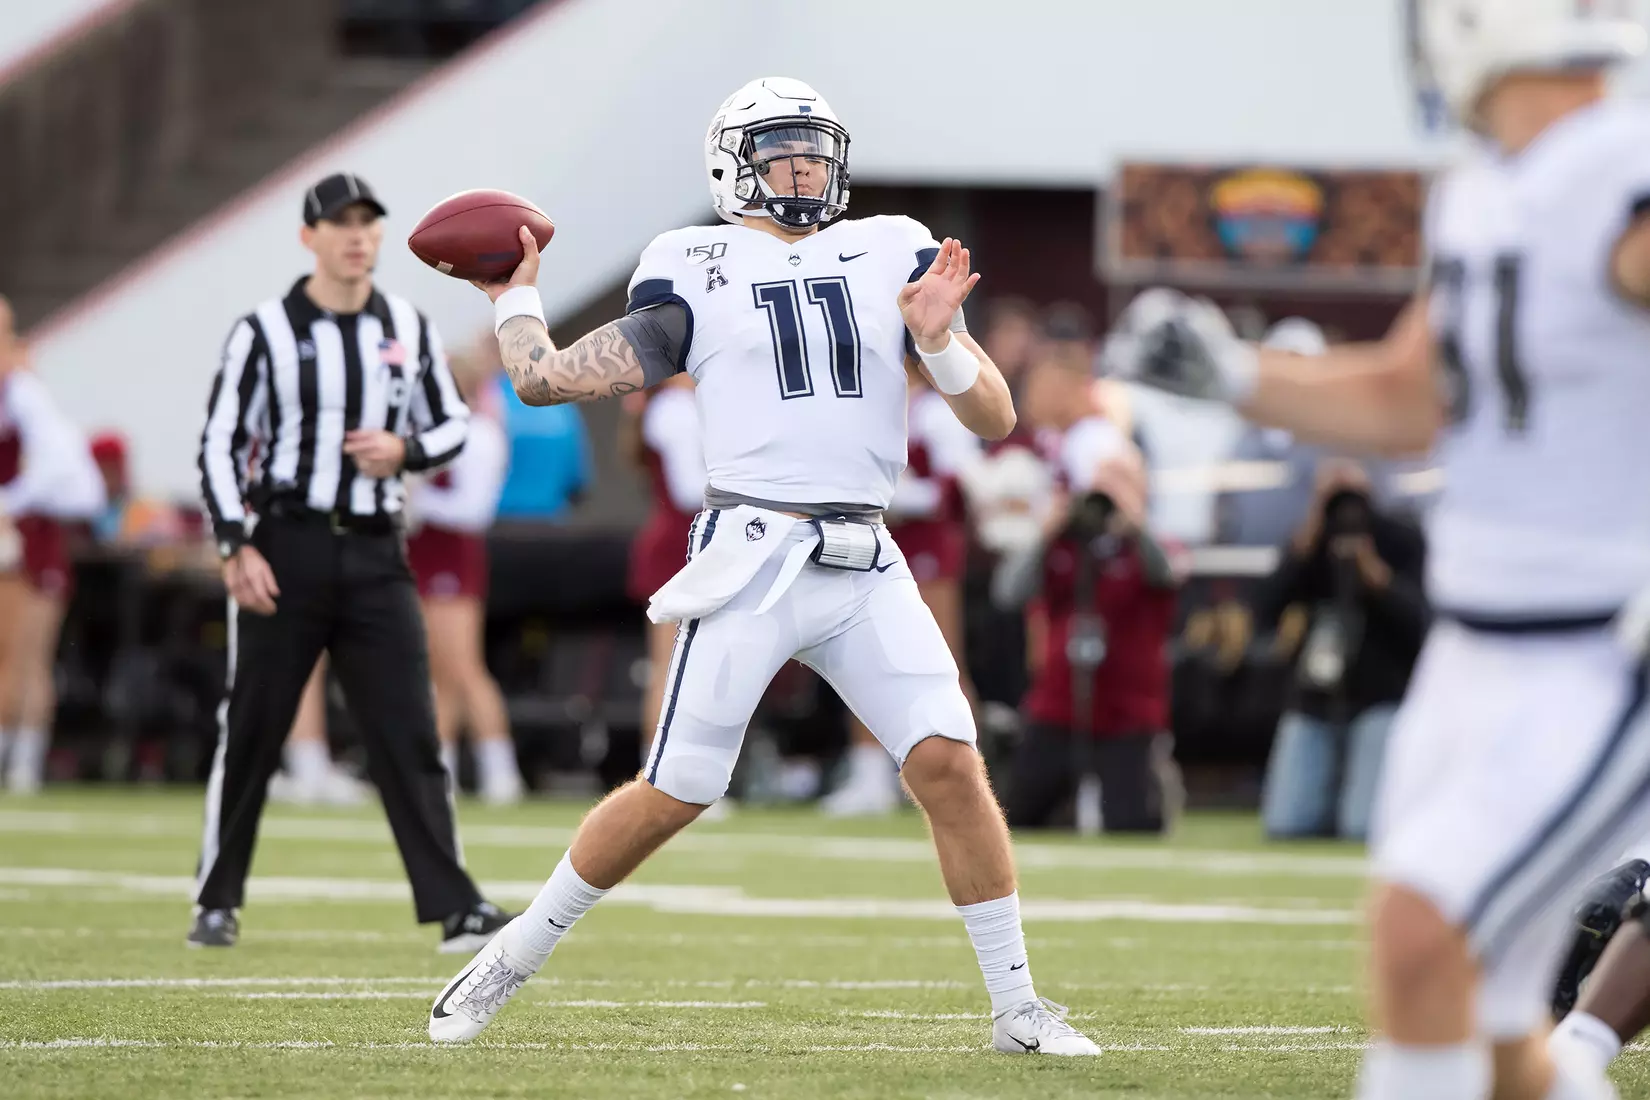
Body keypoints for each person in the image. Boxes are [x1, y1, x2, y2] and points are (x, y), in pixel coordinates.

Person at [429, 76, 1098, 1057]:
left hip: (865, 556)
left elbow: (996, 416)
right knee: (676, 789)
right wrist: (515, 293)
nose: (802, 168)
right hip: (752, 553)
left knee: (950, 760)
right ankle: (511, 955)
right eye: (780, 150)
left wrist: (939, 338)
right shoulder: (690, 259)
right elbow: (542, 380)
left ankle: (1018, 1007)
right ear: (730, 164)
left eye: (814, 150)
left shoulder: (890, 246)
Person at [1101, 4, 1650, 1096]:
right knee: (1491, 1033)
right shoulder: (1483, 186)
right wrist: (1234, 373)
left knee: (1421, 936)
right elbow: (1412, 396)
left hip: (1597, 647)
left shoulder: (1621, 163)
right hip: (1472, 645)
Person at [193, 172, 509, 952]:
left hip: (375, 549)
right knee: (257, 727)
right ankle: (216, 897)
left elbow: (450, 427)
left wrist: (402, 450)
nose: (357, 234)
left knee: (408, 730)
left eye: (368, 221)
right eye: (341, 222)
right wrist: (234, 543)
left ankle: (455, 904)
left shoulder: (404, 324)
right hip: (287, 545)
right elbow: (219, 442)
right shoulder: (263, 330)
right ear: (310, 236)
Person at [996, 356, 1179, 833]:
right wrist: (1048, 530)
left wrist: (1132, 517)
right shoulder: (1063, 548)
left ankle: (1152, 787)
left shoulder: (1145, 548)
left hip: (1127, 709)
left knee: (1132, 824)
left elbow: (1168, 574)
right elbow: (1009, 591)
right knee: (1019, 815)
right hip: (1059, 704)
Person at [824, 368, 980, 817]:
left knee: (942, 659)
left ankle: (966, 771)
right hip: (870, 540)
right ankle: (871, 776)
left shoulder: (935, 411)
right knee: (863, 655)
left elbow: (959, 487)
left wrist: (892, 495)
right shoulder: (864, 400)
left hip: (926, 545)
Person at [1251, 459, 1428, 842]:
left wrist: (1376, 578)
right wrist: (1308, 539)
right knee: (1287, 825)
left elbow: (1421, 624)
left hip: (1381, 695)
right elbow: (1264, 609)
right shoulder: (1312, 542)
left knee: (1362, 828)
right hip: (1316, 693)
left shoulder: (1400, 538)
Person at [0, 295, 106, 794]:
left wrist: (10, 502)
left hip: (30, 543)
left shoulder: (25, 396)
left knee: (23, 654)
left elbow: (71, 481)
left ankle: (23, 759)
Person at [406, 354, 522, 804]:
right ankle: (440, 771)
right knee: (438, 672)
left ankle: (501, 771)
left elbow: (473, 511)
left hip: (453, 557)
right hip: (427, 555)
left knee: (464, 667)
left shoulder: (479, 435)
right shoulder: (438, 432)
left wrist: (413, 500)